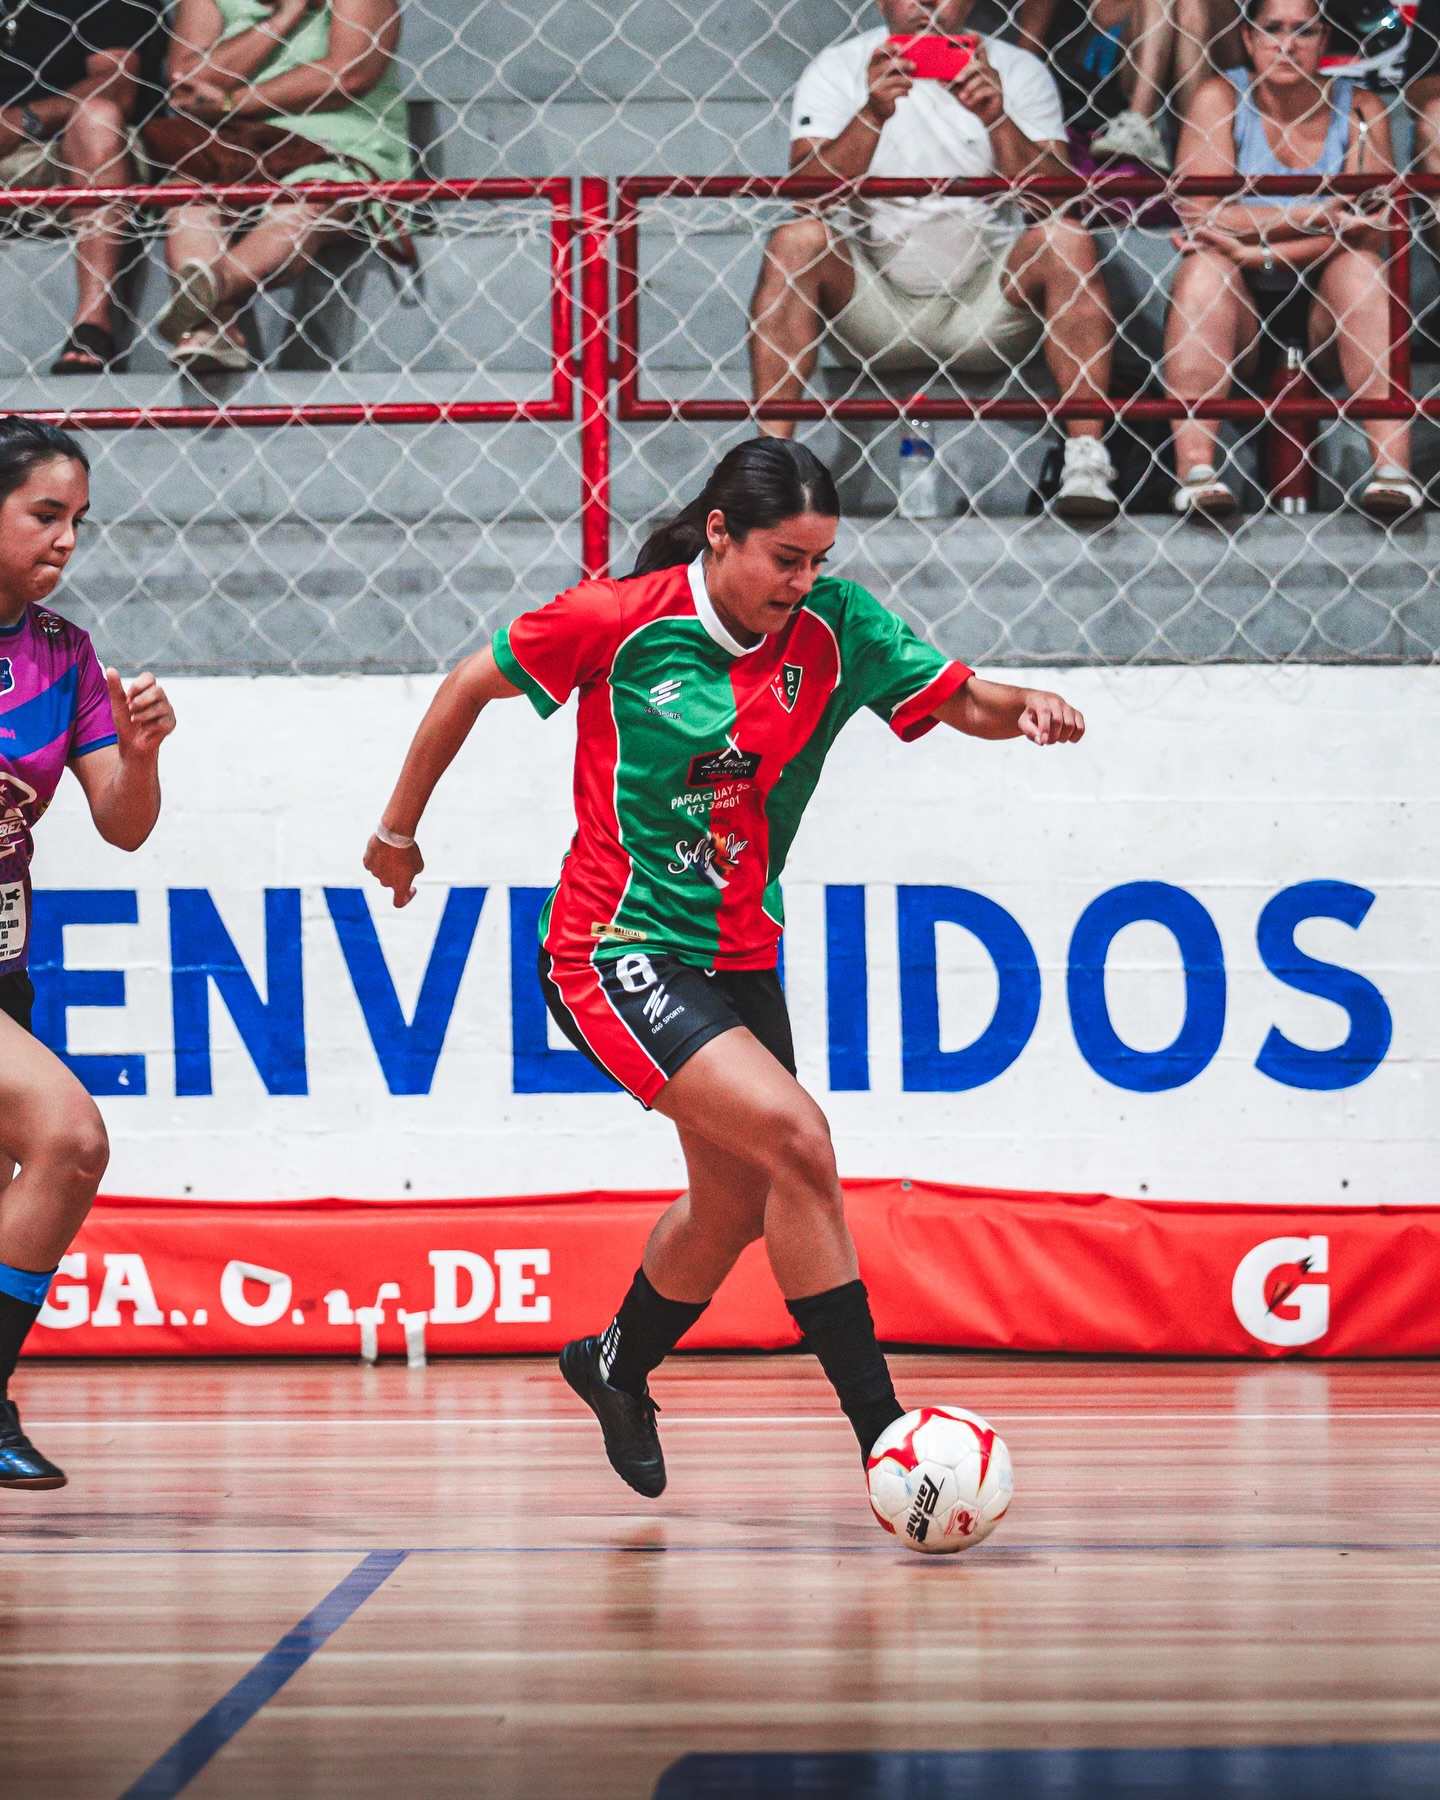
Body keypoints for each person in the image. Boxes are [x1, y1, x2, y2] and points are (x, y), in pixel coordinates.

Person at [364, 437, 1085, 1505]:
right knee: (800, 1138)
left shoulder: (836, 630)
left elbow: (960, 697)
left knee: (740, 1203)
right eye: (786, 559)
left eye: (819, 561)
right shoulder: (618, 619)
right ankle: (882, 1433)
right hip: (614, 949)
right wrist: (397, 832)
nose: (804, 584)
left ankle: (614, 1364)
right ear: (720, 535)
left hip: (742, 948)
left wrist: (1021, 705)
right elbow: (470, 685)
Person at [748, 0, 1123, 522]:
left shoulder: (1016, 69)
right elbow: (807, 197)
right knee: (796, 238)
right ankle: (771, 464)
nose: (926, 3)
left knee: (1067, 239)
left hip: (985, 305)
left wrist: (996, 117)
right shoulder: (838, 67)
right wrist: (872, 114)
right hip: (874, 300)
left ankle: (1086, 459)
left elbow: (1054, 203)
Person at [0, 416, 176, 1488]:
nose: (67, 540)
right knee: (70, 1139)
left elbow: (124, 821)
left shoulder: (63, 654)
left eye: (78, 521)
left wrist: (143, 750)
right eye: (44, 515)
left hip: (5, 967)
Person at [1162, 0, 1417, 519]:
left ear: (1324, 41)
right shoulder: (1221, 97)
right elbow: (1200, 216)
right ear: (1248, 39)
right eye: (1272, 29)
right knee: (1203, 270)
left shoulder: (1363, 108)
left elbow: (1368, 230)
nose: (1287, 44)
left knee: (1362, 269)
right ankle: (1196, 471)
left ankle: (1393, 473)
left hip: (1328, 299)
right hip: (1240, 307)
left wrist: (1255, 246)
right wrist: (1315, 213)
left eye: (1305, 31)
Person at [156, 0, 413, 374]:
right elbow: (187, 82)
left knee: (299, 206)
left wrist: (232, 101)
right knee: (187, 199)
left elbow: (350, 74)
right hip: (236, 144)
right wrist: (286, 14)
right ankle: (214, 325)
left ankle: (216, 293)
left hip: (335, 141)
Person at [0, 0, 166, 375]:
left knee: (98, 115)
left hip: (67, 143)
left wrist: (22, 120)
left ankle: (93, 324)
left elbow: (117, 85)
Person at [1017, 0, 1175, 172]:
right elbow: (1028, 45)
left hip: (1165, 98)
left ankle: (1190, 146)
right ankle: (1142, 124)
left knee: (1192, 6)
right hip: (1091, 95)